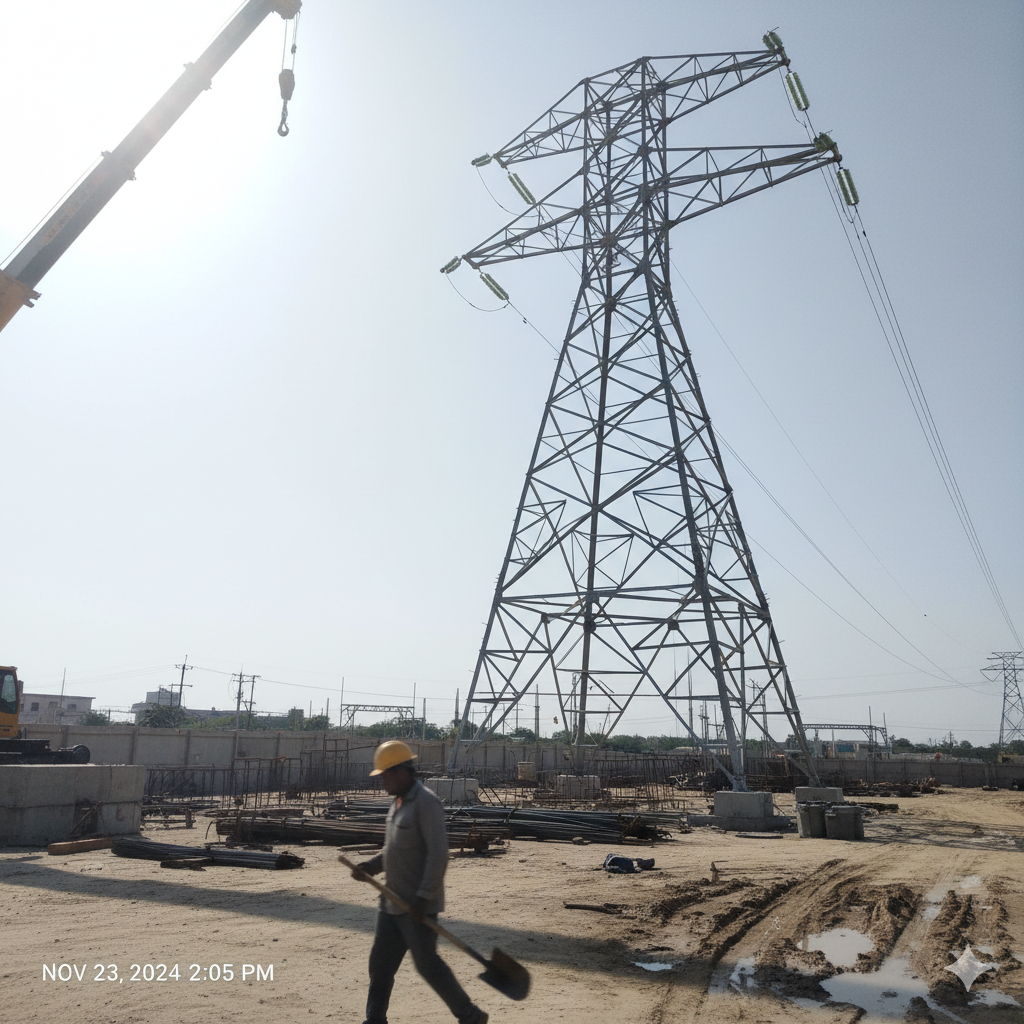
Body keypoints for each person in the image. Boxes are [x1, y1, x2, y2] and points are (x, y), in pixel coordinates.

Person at [351, 740, 488, 1024]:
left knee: (428, 966)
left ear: (401, 772)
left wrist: (423, 898)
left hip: (416, 906)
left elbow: (439, 855)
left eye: (385, 776)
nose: (382, 783)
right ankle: (374, 1020)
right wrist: (371, 867)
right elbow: (392, 849)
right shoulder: (398, 803)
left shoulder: (427, 803)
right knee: (380, 967)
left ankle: (470, 1016)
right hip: (391, 902)